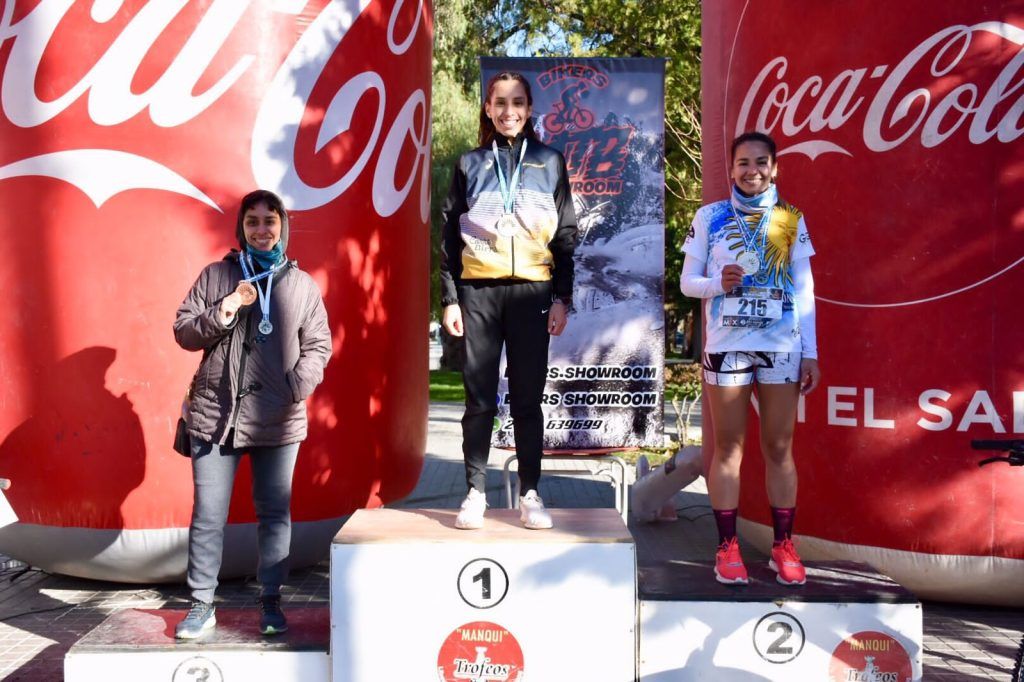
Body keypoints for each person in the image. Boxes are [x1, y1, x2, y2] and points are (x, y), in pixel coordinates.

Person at [172, 189, 331, 638]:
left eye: (269, 221)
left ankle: (271, 601)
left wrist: (295, 387)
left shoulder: (301, 285)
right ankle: (201, 605)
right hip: (214, 418)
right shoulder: (217, 275)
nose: (261, 230)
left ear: (283, 227)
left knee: (274, 515)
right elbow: (183, 331)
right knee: (208, 517)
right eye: (252, 222)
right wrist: (223, 311)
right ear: (241, 228)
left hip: (278, 419)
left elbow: (319, 345)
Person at [439, 71, 578, 530]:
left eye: (517, 103)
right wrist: (450, 298)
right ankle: (475, 492)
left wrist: (562, 297)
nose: (509, 111)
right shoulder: (470, 163)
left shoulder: (550, 161)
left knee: (527, 399)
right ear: (488, 108)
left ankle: (531, 493)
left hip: (532, 291)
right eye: (500, 102)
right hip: (478, 292)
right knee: (479, 398)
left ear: (529, 109)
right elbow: (448, 234)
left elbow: (566, 236)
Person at [680, 132, 820, 586]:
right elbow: (686, 282)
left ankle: (784, 545)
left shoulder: (790, 219)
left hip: (781, 345)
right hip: (727, 345)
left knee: (779, 447)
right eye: (743, 162)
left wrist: (811, 353)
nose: (751, 171)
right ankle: (727, 547)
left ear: (774, 168)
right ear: (731, 168)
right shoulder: (711, 216)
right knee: (729, 449)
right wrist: (717, 283)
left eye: (761, 162)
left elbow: (805, 291)